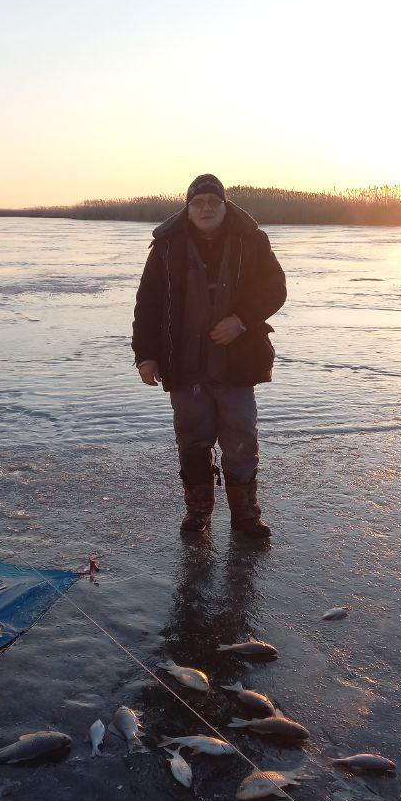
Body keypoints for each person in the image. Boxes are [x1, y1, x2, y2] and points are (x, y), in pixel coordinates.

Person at [132, 173, 286, 538]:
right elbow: (147, 306)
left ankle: (245, 516)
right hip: (185, 366)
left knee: (241, 441)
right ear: (187, 209)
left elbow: (275, 290)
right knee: (192, 441)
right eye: (198, 203)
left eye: (213, 203)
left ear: (224, 205)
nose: (206, 209)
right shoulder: (166, 247)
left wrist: (242, 320)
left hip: (238, 365)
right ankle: (198, 513)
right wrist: (145, 356)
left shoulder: (253, 241)